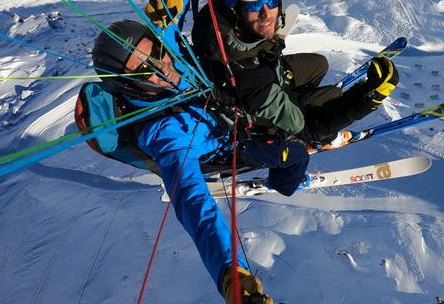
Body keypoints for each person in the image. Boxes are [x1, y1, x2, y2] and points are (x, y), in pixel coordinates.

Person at [89, 20, 292, 303]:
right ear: (128, 86)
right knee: (295, 154)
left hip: (235, 103)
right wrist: (231, 274)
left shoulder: (170, 60)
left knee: (314, 66)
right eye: (144, 70)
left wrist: (171, 3)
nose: (160, 66)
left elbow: (169, 17)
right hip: (239, 143)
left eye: (156, 52)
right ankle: (286, 181)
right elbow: (194, 204)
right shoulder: (165, 135)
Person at [191, 0, 400, 148]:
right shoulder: (251, 80)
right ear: (237, 9)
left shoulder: (218, 15)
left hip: (267, 70)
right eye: (254, 5)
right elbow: (309, 126)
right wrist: (368, 98)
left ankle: (291, 96)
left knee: (319, 64)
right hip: (260, 106)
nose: (266, 13)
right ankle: (313, 132)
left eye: (271, 1)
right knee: (332, 96)